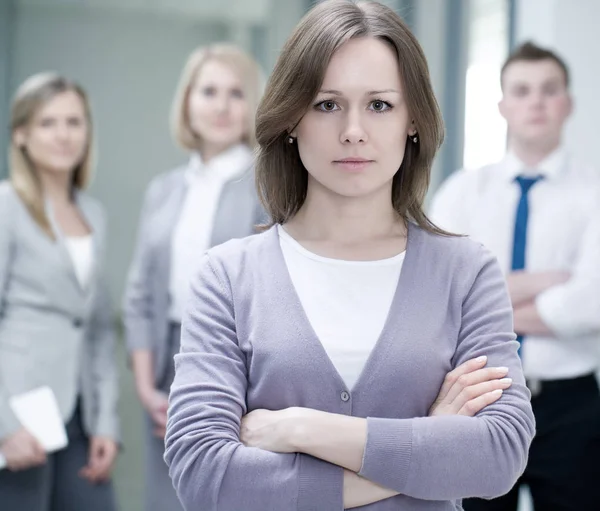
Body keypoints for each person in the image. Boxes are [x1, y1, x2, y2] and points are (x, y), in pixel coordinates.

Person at [165, 1, 535, 509]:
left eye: (380, 104)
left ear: (413, 121)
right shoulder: (227, 276)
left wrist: (303, 427)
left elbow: (499, 454)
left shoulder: (466, 272)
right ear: (291, 119)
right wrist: (425, 447)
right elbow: (202, 473)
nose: (353, 130)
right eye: (326, 104)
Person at [431, 41, 600, 510]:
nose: (537, 102)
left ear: (567, 103)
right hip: (480, 400)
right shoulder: (463, 193)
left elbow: (592, 304)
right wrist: (550, 281)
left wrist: (485, 301)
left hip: (570, 405)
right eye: (522, 90)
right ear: (503, 105)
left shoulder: (595, 194)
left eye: (549, 90)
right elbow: (439, 294)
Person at [122, 43, 266, 511]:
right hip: (165, 363)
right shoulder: (164, 190)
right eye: (208, 91)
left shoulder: (269, 184)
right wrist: (147, 388)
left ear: (254, 104)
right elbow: (141, 294)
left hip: (243, 363)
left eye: (235, 93)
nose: (221, 106)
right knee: (168, 496)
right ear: (187, 101)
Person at [0, 73, 119, 510]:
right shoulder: (7, 208)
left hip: (79, 414)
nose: (64, 134)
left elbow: (99, 329)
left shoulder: (94, 215)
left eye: (74, 121)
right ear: (22, 135)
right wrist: (4, 425)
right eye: (48, 123)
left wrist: (106, 422)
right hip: (18, 411)